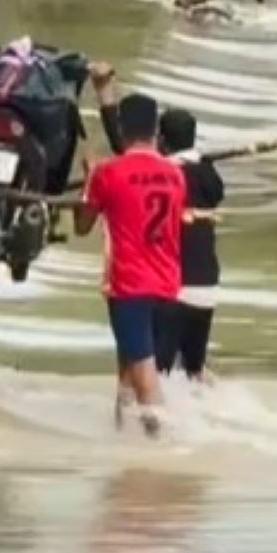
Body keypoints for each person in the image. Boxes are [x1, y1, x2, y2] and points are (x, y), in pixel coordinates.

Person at [89, 65, 225, 382]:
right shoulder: (207, 175)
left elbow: (123, 145)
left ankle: (152, 425)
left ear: (161, 140)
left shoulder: (164, 173)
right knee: (193, 372)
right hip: (207, 287)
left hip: (173, 287)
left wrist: (104, 94)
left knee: (153, 374)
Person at [74, 93, 187, 437]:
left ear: (122, 129)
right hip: (168, 285)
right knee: (127, 367)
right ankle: (123, 436)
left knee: (143, 375)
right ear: (156, 131)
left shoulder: (109, 173)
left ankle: (162, 451)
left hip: (129, 286)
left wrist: (89, 179)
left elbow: (82, 225)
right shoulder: (175, 174)